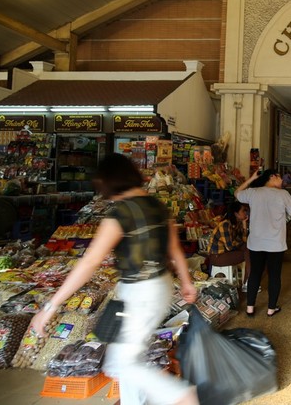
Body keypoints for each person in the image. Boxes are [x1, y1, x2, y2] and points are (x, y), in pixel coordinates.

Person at [29, 153, 198, 405]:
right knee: (129, 356)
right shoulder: (157, 206)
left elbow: (89, 262)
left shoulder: (120, 214)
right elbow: (174, 249)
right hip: (160, 285)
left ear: (107, 182)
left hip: (140, 292)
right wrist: (186, 282)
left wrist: (51, 306)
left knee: (120, 363)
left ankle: (180, 396)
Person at [235, 168, 291, 317]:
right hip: (275, 243)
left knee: (255, 273)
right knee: (274, 275)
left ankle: (250, 307)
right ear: (272, 177)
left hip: (256, 243)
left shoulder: (253, 193)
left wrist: (252, 178)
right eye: (280, 177)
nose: (282, 180)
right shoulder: (283, 194)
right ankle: (271, 309)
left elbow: (237, 193)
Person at [208, 201, 251, 288]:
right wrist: (240, 243)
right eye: (243, 211)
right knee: (248, 252)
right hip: (217, 256)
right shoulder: (225, 224)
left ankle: (248, 281)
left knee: (248, 248)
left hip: (226, 253)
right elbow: (230, 247)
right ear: (236, 214)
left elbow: (244, 240)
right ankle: (248, 282)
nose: (245, 213)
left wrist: (244, 225)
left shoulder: (236, 223)